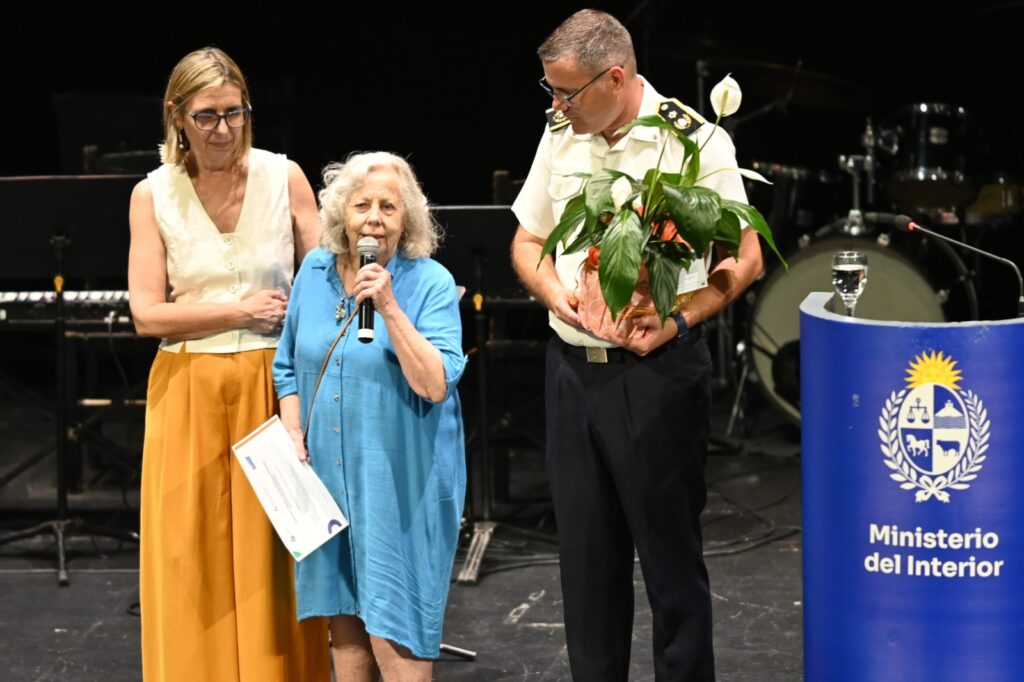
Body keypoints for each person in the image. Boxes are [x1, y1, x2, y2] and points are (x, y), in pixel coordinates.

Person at [509, 10, 764, 681]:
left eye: (567, 93)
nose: (556, 106)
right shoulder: (561, 135)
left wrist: (679, 321)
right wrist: (556, 295)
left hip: (657, 376)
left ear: (616, 78)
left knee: (671, 568)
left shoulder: (693, 143)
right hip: (571, 373)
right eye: (551, 93)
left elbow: (745, 258)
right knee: (587, 572)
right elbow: (526, 241)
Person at [128, 47, 328, 681]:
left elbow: (326, 278)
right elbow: (147, 316)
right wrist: (237, 311)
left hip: (274, 386)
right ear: (177, 116)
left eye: (235, 113)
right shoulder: (151, 193)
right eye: (207, 116)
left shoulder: (284, 176)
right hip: (188, 386)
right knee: (194, 549)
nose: (223, 130)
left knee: (277, 546)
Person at [272, 151, 466, 682]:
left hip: (397, 480)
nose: (374, 218)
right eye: (362, 205)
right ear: (342, 214)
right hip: (327, 476)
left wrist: (388, 307)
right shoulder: (314, 270)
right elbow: (286, 364)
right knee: (345, 621)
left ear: (408, 220)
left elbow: (435, 383)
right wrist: (292, 431)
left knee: (395, 626)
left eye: (389, 206)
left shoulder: (430, 283)